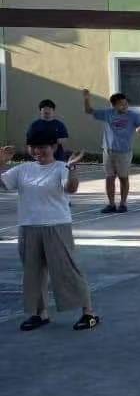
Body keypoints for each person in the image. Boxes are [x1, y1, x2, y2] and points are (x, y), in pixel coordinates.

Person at [0, 134, 96, 331]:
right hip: (28, 226)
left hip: (56, 225)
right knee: (33, 273)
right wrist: (1, 162)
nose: (38, 151)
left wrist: (72, 169)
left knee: (67, 270)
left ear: (53, 147)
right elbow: (3, 184)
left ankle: (89, 313)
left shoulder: (61, 167)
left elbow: (71, 188)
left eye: (42, 147)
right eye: (33, 147)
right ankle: (40, 314)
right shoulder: (23, 169)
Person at [82, 88, 140, 213]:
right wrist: (86, 99)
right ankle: (111, 204)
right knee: (109, 178)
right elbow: (89, 111)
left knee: (123, 178)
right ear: (114, 105)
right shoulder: (108, 113)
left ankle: (123, 204)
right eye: (121, 104)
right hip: (108, 151)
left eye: (126, 103)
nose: (125, 106)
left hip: (124, 152)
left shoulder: (133, 115)